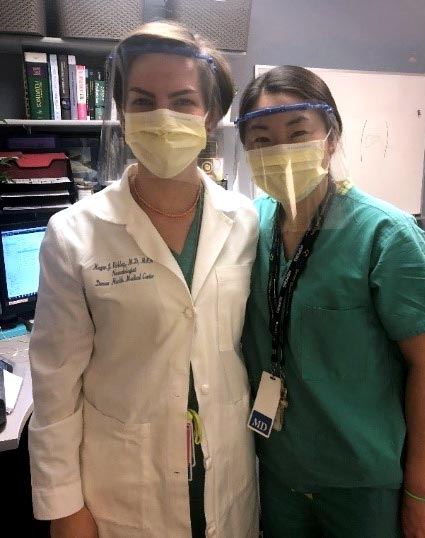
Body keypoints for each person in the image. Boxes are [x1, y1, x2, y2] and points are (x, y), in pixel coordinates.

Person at [28, 20, 259, 538]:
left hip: (228, 474)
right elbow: (55, 384)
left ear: (210, 116)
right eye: (142, 100)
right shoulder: (73, 233)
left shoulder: (244, 220)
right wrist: (64, 508)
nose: (162, 117)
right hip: (123, 488)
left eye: (182, 101)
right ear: (122, 112)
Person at [237, 65, 425, 537]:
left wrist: (424, 492)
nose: (280, 151)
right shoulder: (248, 226)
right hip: (277, 471)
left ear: (331, 137)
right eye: (261, 139)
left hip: (363, 485)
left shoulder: (386, 236)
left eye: (297, 132)